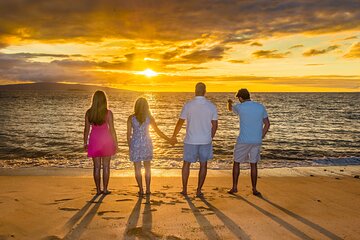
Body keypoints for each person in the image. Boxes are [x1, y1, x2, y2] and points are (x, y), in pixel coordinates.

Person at [171, 82, 218, 197]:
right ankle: (198, 190)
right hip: (205, 140)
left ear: (195, 91)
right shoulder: (211, 106)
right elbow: (215, 125)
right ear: (205, 91)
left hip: (191, 140)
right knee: (203, 165)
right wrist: (210, 137)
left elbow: (180, 122)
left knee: (186, 164)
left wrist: (174, 135)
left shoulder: (188, 105)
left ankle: (185, 189)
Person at [227, 88, 270, 196]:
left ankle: (234, 187)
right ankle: (254, 189)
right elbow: (267, 124)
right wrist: (261, 136)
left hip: (243, 140)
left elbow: (230, 109)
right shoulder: (260, 107)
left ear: (241, 98)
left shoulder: (240, 107)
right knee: (253, 164)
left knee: (236, 162)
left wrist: (229, 102)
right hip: (256, 140)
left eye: (239, 98)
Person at [127, 97, 171, 196]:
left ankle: (141, 189)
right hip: (146, 143)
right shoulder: (149, 118)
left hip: (136, 144)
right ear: (147, 107)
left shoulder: (131, 118)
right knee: (147, 168)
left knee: (137, 168)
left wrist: (130, 146)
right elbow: (158, 132)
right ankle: (148, 189)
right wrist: (168, 139)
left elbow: (128, 134)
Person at [84, 90, 118, 195]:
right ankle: (105, 189)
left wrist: (85, 142)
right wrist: (116, 143)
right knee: (106, 166)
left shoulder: (89, 113)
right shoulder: (108, 113)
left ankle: (98, 190)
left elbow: (86, 129)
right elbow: (112, 129)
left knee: (97, 167)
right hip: (106, 140)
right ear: (104, 100)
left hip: (94, 140)